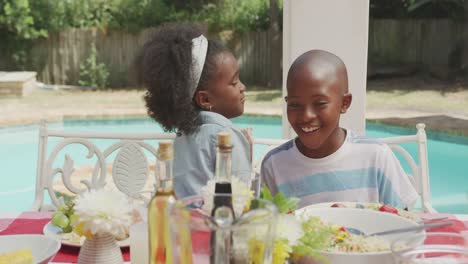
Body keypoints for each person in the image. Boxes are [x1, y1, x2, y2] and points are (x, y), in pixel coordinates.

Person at [260, 49, 418, 209]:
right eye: (295, 104)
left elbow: (405, 219)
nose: (306, 116)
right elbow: (265, 225)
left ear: (344, 103)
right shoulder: (274, 165)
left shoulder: (375, 156)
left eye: (320, 103)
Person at [139, 23, 252, 198]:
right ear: (205, 99)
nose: (242, 87)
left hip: (179, 220)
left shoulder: (183, 136)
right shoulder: (225, 136)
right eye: (234, 82)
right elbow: (241, 193)